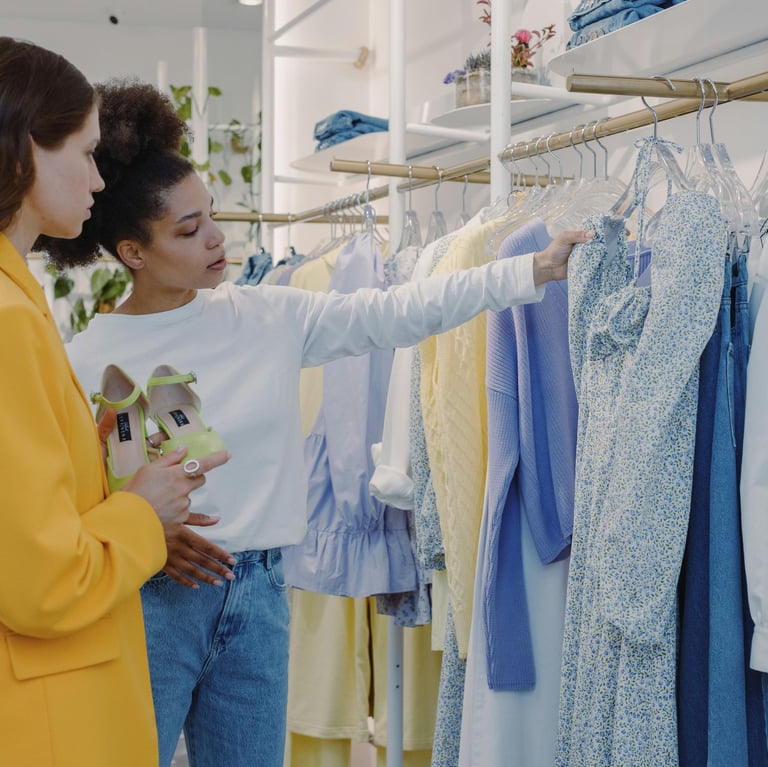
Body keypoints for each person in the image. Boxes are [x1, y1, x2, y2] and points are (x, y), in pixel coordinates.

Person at [45, 77, 593, 767]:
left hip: (262, 595)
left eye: (211, 215)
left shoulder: (268, 316)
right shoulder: (84, 359)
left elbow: (399, 311)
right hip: (151, 597)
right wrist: (143, 528)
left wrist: (528, 271)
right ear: (133, 252)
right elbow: (65, 498)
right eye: (188, 230)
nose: (216, 239)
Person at [0, 39, 229, 767]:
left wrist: (91, 466)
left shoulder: (18, 300)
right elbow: (43, 582)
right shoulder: (9, 318)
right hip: (50, 715)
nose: (99, 179)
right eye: (86, 153)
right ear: (23, 152)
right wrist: (142, 510)